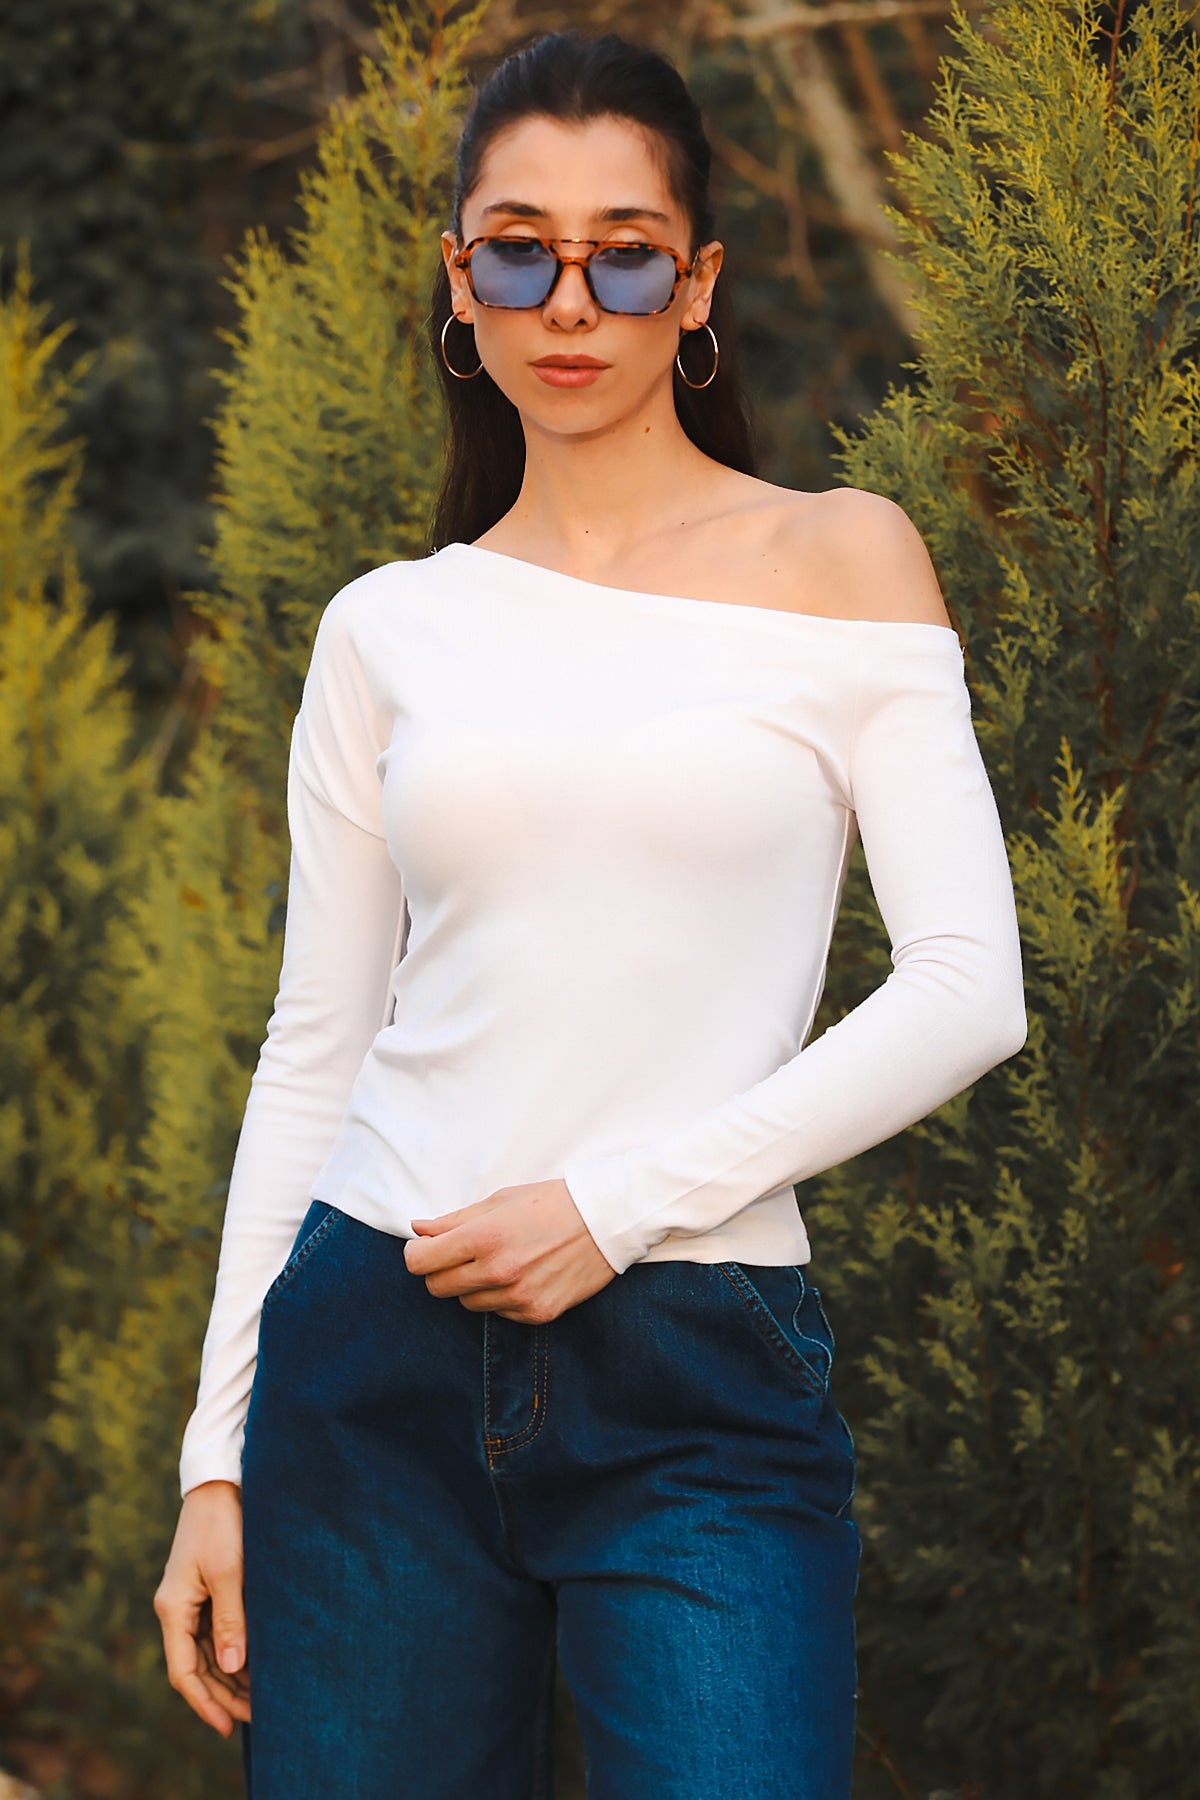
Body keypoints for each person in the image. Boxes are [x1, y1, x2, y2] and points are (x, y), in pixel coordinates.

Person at [153, 27, 1027, 1800]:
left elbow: (968, 986)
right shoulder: (389, 626)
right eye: (517, 251)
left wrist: (611, 1210)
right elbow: (319, 1044)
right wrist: (215, 1457)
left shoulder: (842, 563)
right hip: (370, 1355)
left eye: (624, 255)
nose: (570, 302)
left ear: (695, 288)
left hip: (694, 1369)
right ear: (458, 283)